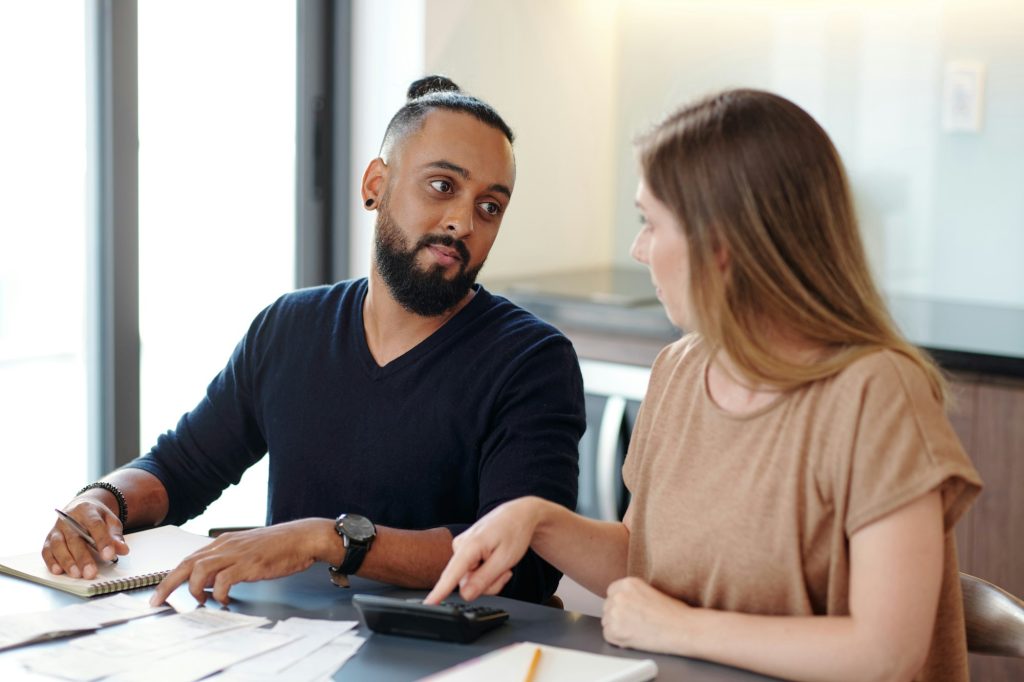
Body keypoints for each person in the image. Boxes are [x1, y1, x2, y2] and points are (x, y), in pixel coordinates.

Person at [427, 89, 982, 681]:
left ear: (724, 244)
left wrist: (675, 627)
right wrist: (536, 518)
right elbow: (644, 567)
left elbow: (885, 653)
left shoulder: (876, 393)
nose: (639, 251)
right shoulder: (681, 371)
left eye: (650, 223)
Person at [41, 76, 585, 607]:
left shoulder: (532, 361)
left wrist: (328, 540)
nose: (463, 221)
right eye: (442, 186)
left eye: (490, 206)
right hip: (288, 650)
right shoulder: (290, 327)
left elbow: (525, 567)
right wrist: (101, 499)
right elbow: (179, 468)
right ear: (375, 184)